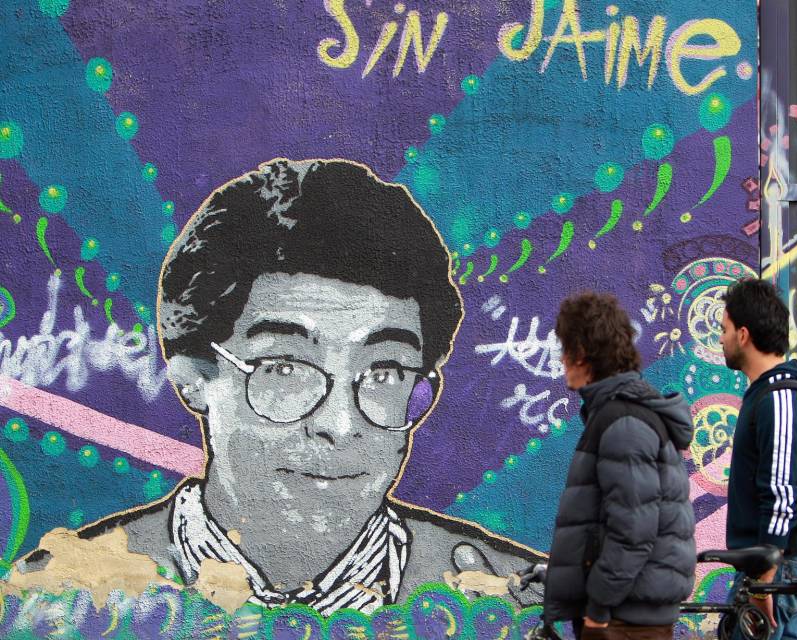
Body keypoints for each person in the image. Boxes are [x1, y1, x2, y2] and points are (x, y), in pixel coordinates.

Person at [23, 158, 543, 613]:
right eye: (285, 367)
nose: (340, 425)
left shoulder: (520, 605)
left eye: (384, 373)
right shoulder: (54, 599)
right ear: (194, 377)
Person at [543, 292, 696, 639]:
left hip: (624, 619)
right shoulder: (619, 413)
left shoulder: (623, 421)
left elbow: (633, 530)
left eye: (565, 349)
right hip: (628, 611)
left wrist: (597, 609)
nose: (562, 360)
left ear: (582, 353)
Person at [719, 278, 797, 640]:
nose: (721, 339)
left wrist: (764, 582)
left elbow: (780, 493)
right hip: (774, 564)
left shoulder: (778, 397)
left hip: (779, 565)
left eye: (724, 329)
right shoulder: (768, 393)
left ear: (743, 334)